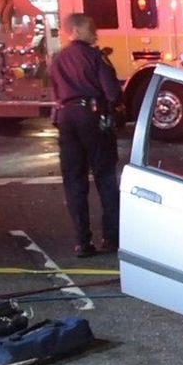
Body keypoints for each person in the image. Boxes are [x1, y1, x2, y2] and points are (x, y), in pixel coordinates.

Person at [49, 13, 122, 258]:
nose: (96, 33)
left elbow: (56, 90)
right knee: (105, 178)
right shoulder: (95, 57)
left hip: (66, 119)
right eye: (91, 28)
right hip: (92, 117)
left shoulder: (57, 59)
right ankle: (111, 238)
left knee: (74, 182)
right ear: (77, 31)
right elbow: (112, 93)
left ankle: (82, 242)